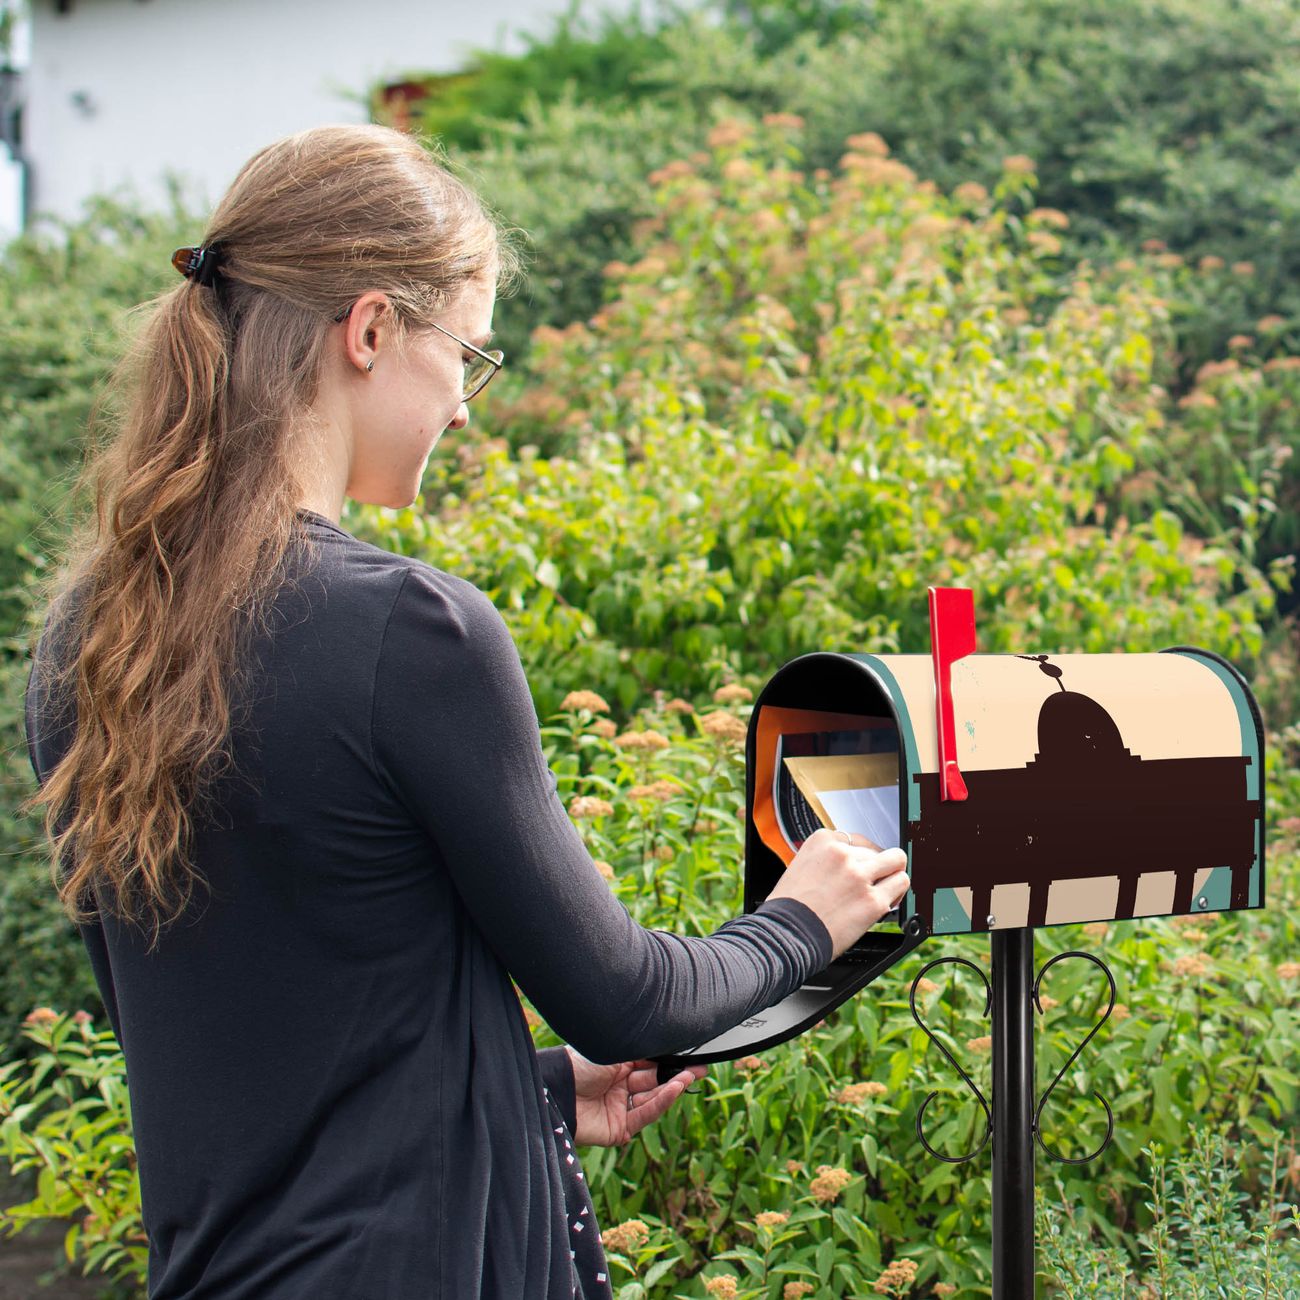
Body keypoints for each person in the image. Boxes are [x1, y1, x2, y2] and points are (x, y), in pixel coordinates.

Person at [21, 124, 910, 1300]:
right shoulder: (405, 630)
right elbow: (628, 996)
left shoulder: (87, 640)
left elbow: (238, 1045)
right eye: (467, 355)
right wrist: (802, 919)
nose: (465, 409)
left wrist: (527, 1088)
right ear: (370, 329)